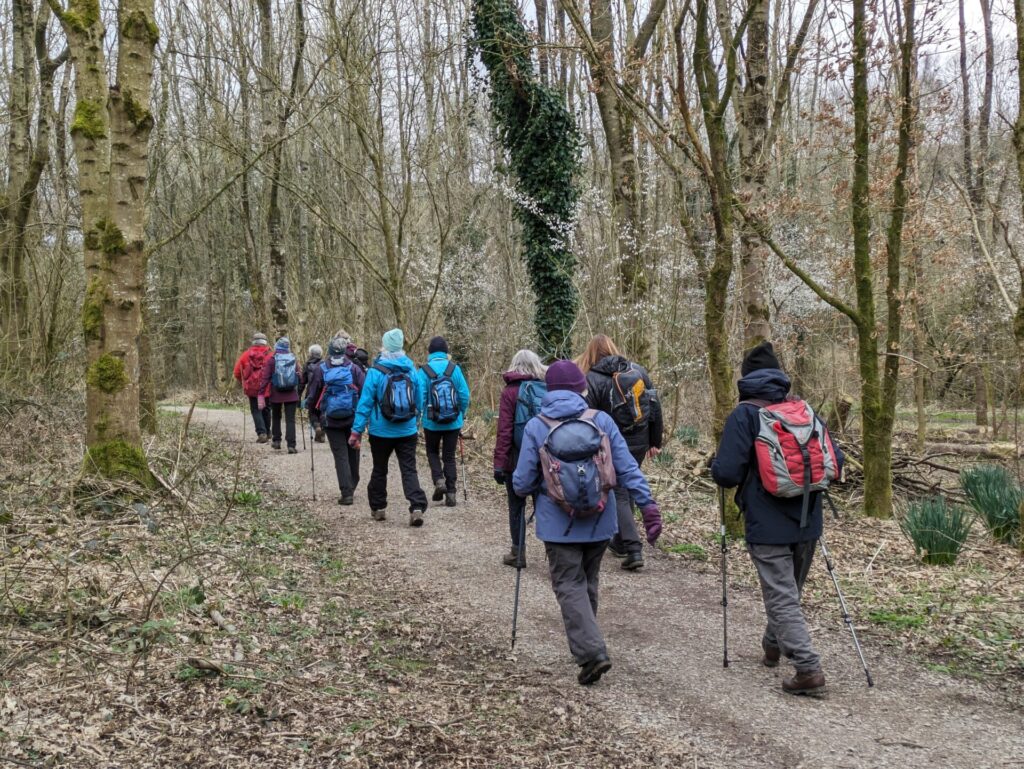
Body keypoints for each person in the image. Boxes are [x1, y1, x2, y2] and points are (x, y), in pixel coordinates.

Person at [513, 360, 662, 686]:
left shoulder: (537, 426)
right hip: (600, 518)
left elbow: (522, 482)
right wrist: (647, 505)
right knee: (587, 580)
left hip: (558, 524)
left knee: (569, 584)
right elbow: (626, 468)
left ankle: (591, 651)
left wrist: (528, 486)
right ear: (580, 389)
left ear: (549, 390)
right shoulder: (601, 420)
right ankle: (587, 642)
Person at [711, 341, 844, 696]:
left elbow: (727, 473)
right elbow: (837, 461)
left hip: (766, 521)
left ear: (746, 378)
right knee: (788, 592)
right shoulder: (803, 410)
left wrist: (715, 465)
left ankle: (808, 668)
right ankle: (773, 645)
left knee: (782, 596)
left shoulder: (745, 415)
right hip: (808, 519)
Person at [577, 334, 664, 571]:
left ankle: (632, 547)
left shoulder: (591, 378)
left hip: (611, 442)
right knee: (629, 485)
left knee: (619, 491)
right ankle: (619, 540)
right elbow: (655, 406)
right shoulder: (637, 371)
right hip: (639, 440)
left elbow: (587, 416)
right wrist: (655, 440)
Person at [349, 328, 428, 526]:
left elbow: (365, 403)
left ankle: (379, 507)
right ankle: (416, 507)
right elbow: (419, 400)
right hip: (407, 430)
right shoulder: (411, 369)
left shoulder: (375, 372)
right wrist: (416, 421)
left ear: (384, 346)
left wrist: (356, 431)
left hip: (380, 431)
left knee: (380, 468)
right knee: (409, 469)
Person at [493, 349, 547, 567]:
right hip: (544, 457)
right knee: (545, 505)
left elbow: (504, 431)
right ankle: (554, 552)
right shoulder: (547, 388)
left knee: (516, 505)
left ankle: (518, 552)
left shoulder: (510, 391)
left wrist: (499, 463)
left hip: (516, 458)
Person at [306, 336, 365, 505]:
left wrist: (313, 414)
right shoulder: (354, 368)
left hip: (330, 419)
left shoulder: (321, 369)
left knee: (340, 455)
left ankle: (346, 493)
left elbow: (313, 394)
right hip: (353, 418)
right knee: (353, 451)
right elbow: (364, 390)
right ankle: (352, 483)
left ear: (330, 351)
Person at [417, 336, 471, 507]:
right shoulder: (454, 369)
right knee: (449, 456)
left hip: (431, 422)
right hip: (453, 422)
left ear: (430, 352)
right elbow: (465, 395)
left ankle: (439, 480)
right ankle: (451, 493)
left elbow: (419, 398)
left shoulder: (424, 371)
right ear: (446, 352)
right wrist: (461, 413)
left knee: (432, 452)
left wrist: (419, 418)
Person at [257, 336, 303, 454]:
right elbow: (300, 377)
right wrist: (299, 389)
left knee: (276, 417)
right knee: (290, 420)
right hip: (291, 394)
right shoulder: (293, 358)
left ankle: (276, 441)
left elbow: (265, 378)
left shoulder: (272, 360)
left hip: (276, 394)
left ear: (277, 346)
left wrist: (261, 394)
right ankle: (291, 445)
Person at [233, 332, 272, 443]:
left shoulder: (246, 355)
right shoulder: (270, 355)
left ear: (253, 342)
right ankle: (268, 432)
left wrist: (244, 382)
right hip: (266, 388)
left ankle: (262, 433)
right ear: (265, 342)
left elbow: (237, 372)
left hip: (252, 389)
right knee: (266, 409)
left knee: (256, 410)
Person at [301, 344, 326, 443]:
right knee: (322, 412)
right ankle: (322, 434)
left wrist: (299, 394)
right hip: (323, 392)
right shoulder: (325, 364)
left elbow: (303, 381)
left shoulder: (307, 365)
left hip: (312, 392)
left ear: (311, 354)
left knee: (312, 412)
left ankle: (316, 426)